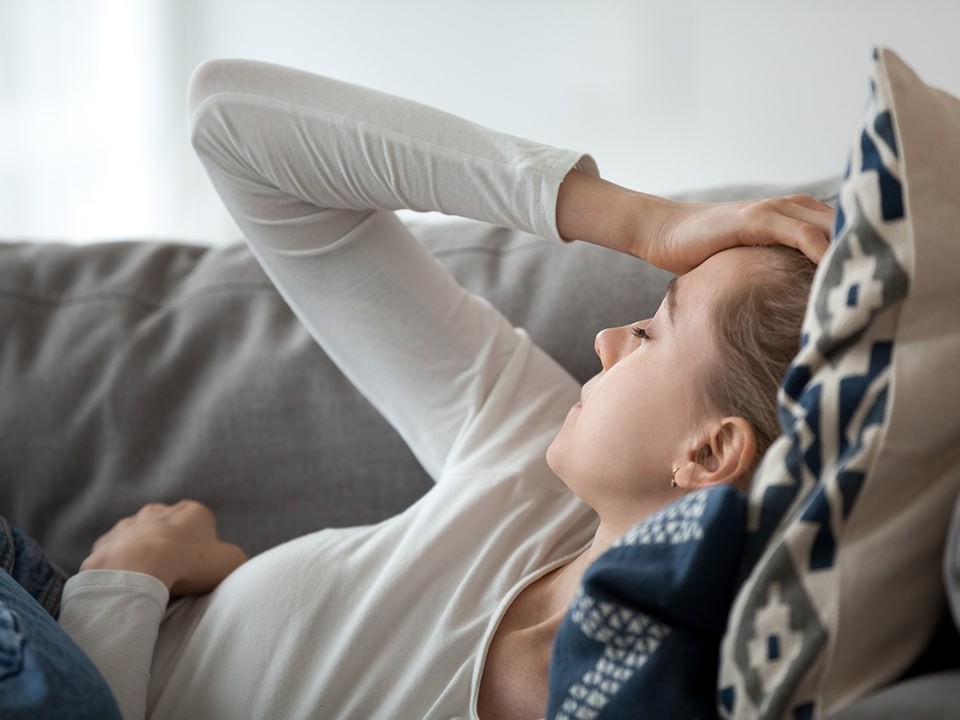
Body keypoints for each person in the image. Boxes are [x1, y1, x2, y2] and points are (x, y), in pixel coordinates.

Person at [17, 58, 831, 719]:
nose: (606, 339)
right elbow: (230, 121)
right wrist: (641, 222)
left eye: (652, 332)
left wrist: (123, 584)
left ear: (710, 449)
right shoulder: (524, 460)